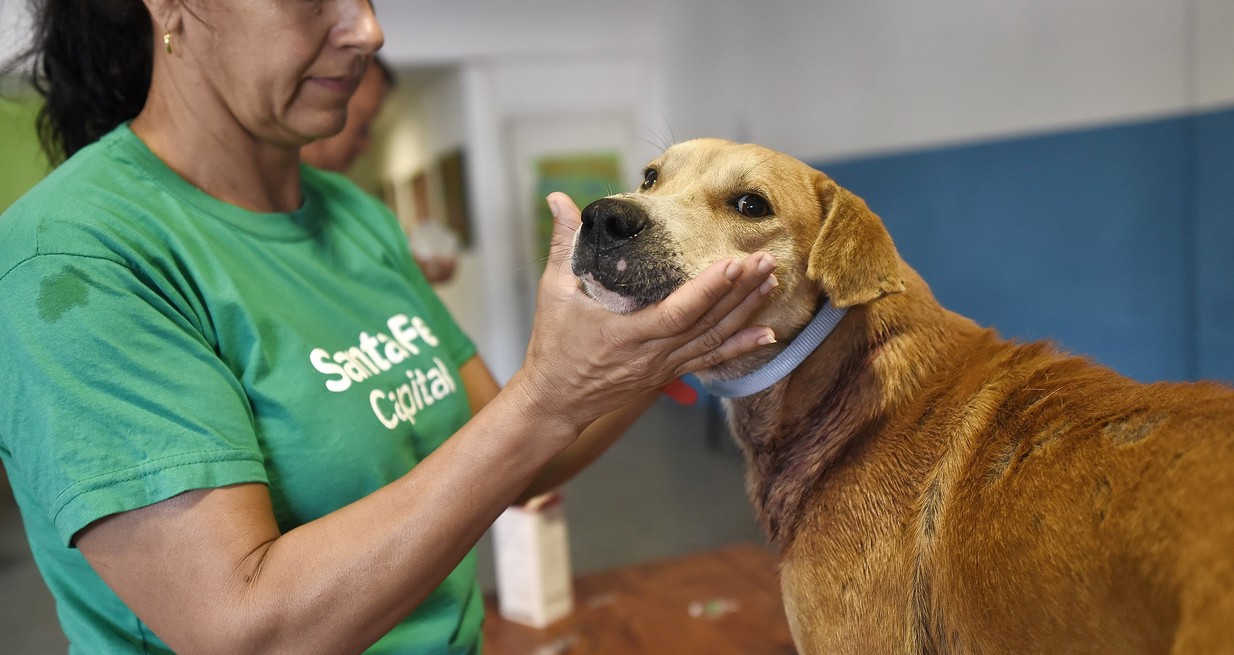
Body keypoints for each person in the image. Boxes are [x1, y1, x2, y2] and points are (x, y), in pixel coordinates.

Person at [0, 1, 778, 654]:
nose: (368, 30)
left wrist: (664, 347)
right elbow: (244, 627)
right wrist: (547, 397)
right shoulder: (75, 256)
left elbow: (513, 455)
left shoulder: (353, 216)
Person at [300, 55, 458, 285]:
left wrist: (407, 272)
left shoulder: (346, 206)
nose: (366, 146)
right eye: (363, 126)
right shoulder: (268, 204)